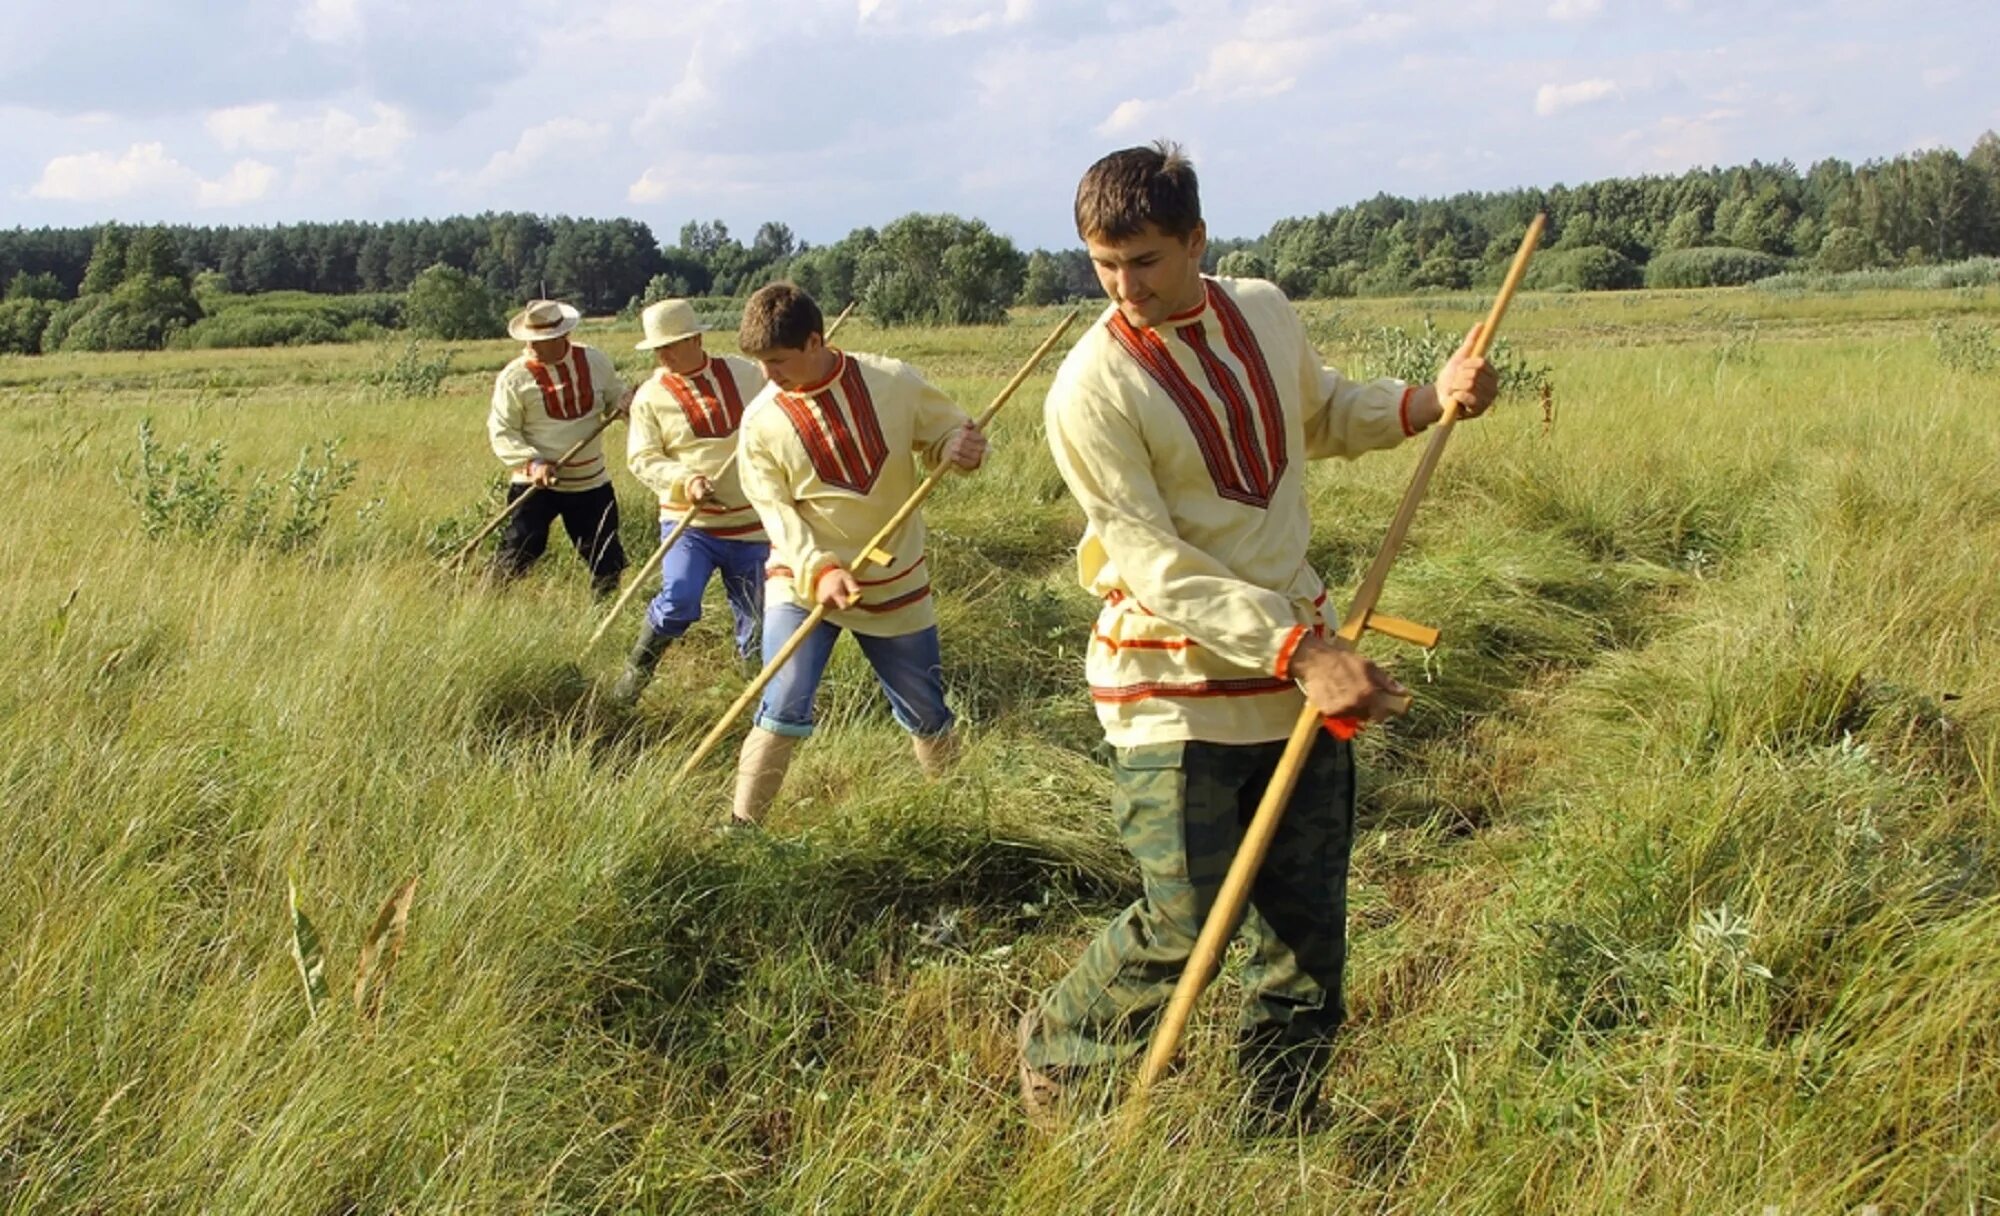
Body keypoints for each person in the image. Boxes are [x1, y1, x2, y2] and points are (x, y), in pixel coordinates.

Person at [1020, 142, 1498, 1130]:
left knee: (1307, 927)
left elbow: (1317, 413)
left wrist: (1426, 400)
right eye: (1102, 265)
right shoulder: (1087, 390)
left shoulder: (1264, 311)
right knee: (1186, 917)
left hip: (1291, 685)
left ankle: (1274, 1129)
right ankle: (1062, 1066)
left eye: (1143, 260)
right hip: (1173, 689)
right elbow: (1152, 564)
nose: (1123, 287)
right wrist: (1303, 650)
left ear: (1196, 240)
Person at [727, 282, 987, 828]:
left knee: (926, 712)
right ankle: (742, 830)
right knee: (782, 702)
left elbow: (949, 436)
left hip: (895, 582)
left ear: (815, 341)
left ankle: (960, 820)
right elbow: (774, 512)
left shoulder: (893, 380)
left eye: (777, 361)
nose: (767, 375)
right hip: (801, 581)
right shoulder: (761, 421)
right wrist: (818, 569)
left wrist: (959, 451)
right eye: (760, 363)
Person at [609, 298, 772, 706]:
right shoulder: (650, 396)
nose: (663, 355)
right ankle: (633, 678)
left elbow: (782, 409)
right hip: (689, 523)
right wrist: (686, 480)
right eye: (657, 349)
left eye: (671, 345)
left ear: (696, 338)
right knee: (679, 598)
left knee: (756, 616)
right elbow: (642, 458)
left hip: (751, 522)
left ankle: (757, 699)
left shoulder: (747, 374)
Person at [487, 298, 630, 596]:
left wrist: (628, 405)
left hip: (589, 482)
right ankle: (487, 602)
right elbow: (502, 430)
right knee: (520, 550)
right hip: (534, 484)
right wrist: (533, 463)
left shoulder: (595, 361)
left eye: (542, 340)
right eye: (530, 339)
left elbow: (614, 400)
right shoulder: (513, 377)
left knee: (605, 557)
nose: (533, 346)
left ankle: (603, 615)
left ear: (562, 336)